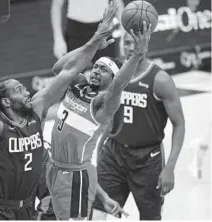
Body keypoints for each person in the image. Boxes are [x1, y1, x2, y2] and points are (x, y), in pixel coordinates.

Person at [0, 23, 102, 220]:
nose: (26, 92)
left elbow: (69, 72)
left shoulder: (36, 111)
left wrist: (94, 42)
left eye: (24, 88)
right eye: (19, 90)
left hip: (28, 210)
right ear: (6, 101)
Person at [46, 2, 152, 220]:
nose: (95, 71)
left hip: (74, 175)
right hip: (54, 168)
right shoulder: (79, 84)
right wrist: (93, 42)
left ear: (111, 79)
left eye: (103, 70)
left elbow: (119, 85)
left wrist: (136, 55)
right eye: (95, 66)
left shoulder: (103, 103)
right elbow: (59, 68)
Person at [92, 30, 186, 220]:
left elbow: (179, 123)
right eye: (126, 43)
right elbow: (111, 115)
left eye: (135, 43)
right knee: (97, 212)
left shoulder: (160, 80)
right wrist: (101, 144)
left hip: (147, 160)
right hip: (114, 153)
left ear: (145, 44)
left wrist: (170, 167)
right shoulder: (115, 76)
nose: (130, 47)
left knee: (149, 217)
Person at [51, 0, 124, 63]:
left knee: (108, 71)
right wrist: (58, 39)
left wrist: (124, 35)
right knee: (73, 75)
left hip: (103, 27)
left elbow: (118, 3)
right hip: (76, 30)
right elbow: (56, 5)